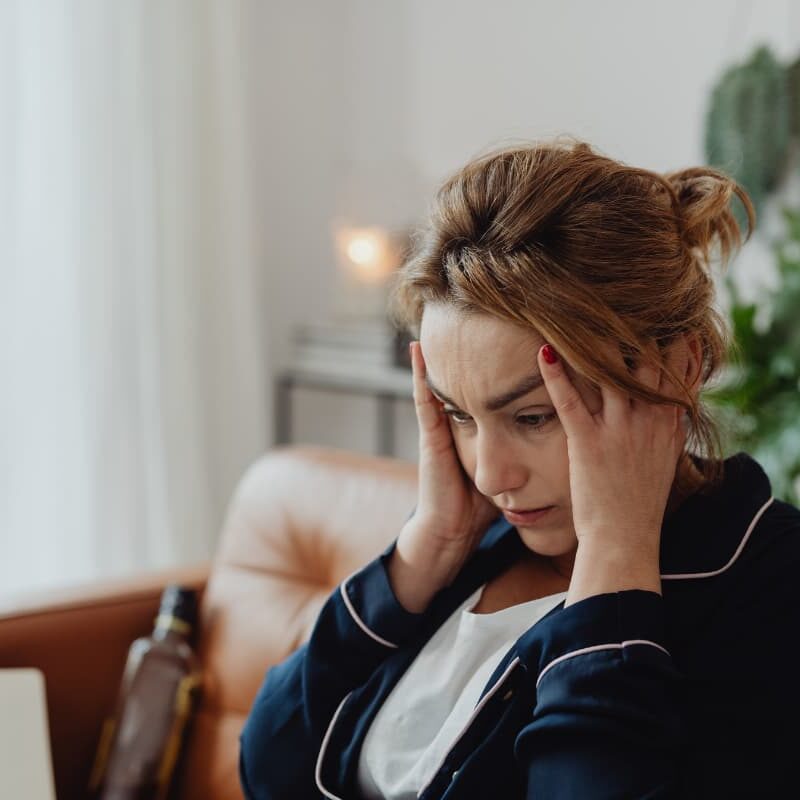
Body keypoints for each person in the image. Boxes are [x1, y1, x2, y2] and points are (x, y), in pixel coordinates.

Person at [238, 138, 800, 799]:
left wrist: (616, 554)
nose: (489, 475)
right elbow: (268, 766)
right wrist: (425, 552)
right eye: (459, 414)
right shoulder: (477, 547)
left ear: (677, 367)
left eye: (533, 417)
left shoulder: (767, 587)